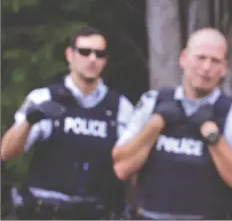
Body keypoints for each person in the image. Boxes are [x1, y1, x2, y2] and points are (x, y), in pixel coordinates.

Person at [112, 28, 232, 220]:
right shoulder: (152, 103)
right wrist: (155, 126)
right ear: (183, 59)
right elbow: (121, 167)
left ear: (224, 68)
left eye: (215, 61)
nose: (206, 67)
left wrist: (214, 138)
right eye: (200, 58)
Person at [0, 26, 134, 219]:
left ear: (106, 60)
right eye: (85, 52)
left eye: (99, 54)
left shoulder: (120, 108)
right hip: (44, 212)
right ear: (70, 55)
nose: (92, 59)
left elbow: (131, 167)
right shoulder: (44, 98)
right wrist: (30, 120)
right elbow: (6, 152)